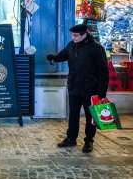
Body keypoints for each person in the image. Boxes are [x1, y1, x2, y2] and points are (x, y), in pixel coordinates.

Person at [47, 24, 109, 153]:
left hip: (91, 89)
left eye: (76, 35)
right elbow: (63, 55)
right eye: (72, 35)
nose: (73, 37)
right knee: (73, 114)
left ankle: (88, 141)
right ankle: (71, 138)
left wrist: (102, 91)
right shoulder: (71, 45)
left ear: (84, 35)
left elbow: (103, 71)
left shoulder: (96, 48)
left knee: (90, 116)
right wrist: (54, 58)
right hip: (74, 86)